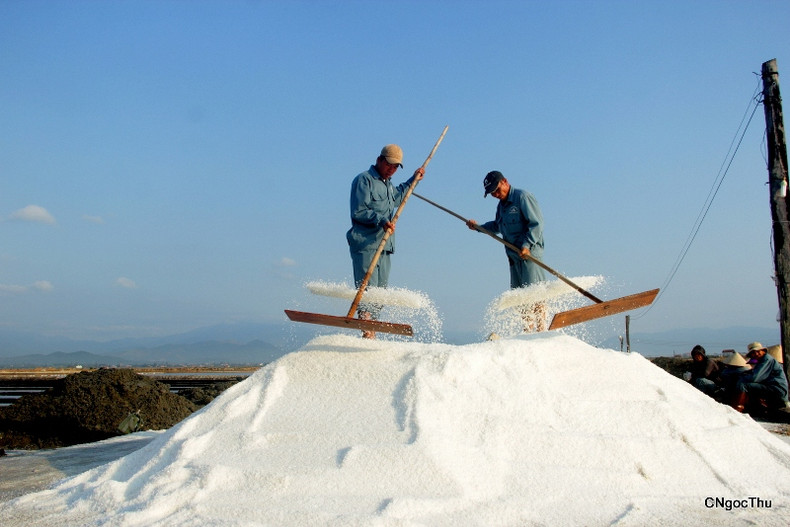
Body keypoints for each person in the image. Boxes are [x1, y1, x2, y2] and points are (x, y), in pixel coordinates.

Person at [346, 144, 424, 338]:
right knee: (367, 288)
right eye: (390, 165)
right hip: (366, 243)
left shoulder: (388, 185)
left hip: (385, 245)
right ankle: (366, 327)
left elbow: (398, 197)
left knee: (380, 292)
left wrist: (414, 180)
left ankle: (372, 330)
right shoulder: (364, 180)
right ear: (380, 160)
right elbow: (359, 211)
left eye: (396, 167)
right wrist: (381, 220)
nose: (392, 169)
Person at [466, 170, 547, 331]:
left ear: (505, 182)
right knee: (520, 298)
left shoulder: (522, 197)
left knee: (535, 294)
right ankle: (528, 331)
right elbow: (497, 226)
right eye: (492, 193)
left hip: (529, 255)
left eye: (496, 190)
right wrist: (478, 227)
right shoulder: (501, 206)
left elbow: (536, 224)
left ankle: (541, 330)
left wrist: (527, 245)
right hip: (513, 258)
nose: (495, 194)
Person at [729, 342, 790, 414]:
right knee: (747, 384)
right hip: (772, 388)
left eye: (758, 351)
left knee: (743, 385)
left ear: (763, 351)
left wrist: (742, 378)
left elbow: (755, 378)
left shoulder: (767, 360)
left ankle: (737, 409)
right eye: (753, 353)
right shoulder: (761, 361)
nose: (756, 354)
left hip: (777, 389)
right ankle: (753, 408)